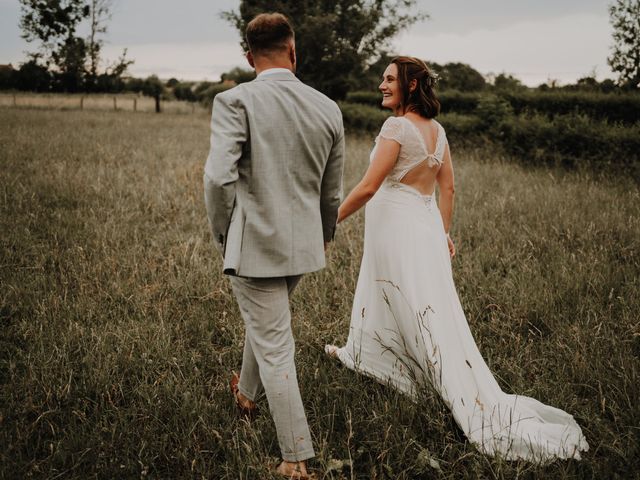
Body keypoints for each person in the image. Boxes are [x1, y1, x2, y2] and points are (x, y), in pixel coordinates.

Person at [325, 56, 588, 462]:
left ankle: (411, 371)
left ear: (411, 86)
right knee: (423, 304)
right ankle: (373, 356)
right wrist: (443, 233)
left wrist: (329, 220)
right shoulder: (438, 132)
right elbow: (448, 189)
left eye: (389, 78)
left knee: (401, 298)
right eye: (383, 78)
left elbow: (367, 186)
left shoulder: (396, 127)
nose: (381, 84)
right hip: (424, 232)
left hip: (398, 232)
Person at [204, 13, 344, 479]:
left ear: (248, 56)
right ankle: (246, 394)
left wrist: (224, 232)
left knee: (275, 343)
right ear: (293, 49)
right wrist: (323, 234)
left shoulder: (234, 101)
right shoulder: (328, 108)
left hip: (255, 244)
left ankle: (294, 459)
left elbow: (218, 177)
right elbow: (332, 193)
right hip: (303, 246)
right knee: (268, 324)